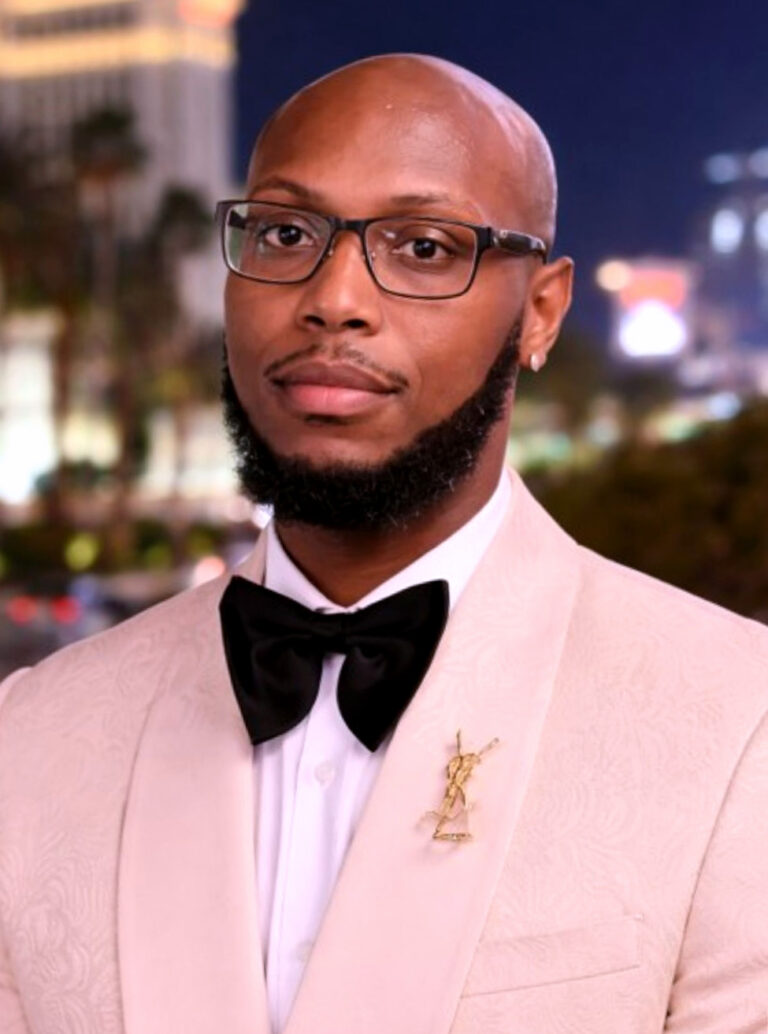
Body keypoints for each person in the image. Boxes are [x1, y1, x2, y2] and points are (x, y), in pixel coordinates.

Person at [1, 53, 767, 1034]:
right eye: (286, 233)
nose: (335, 298)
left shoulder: (739, 722)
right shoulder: (31, 734)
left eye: (424, 248)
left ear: (539, 312)